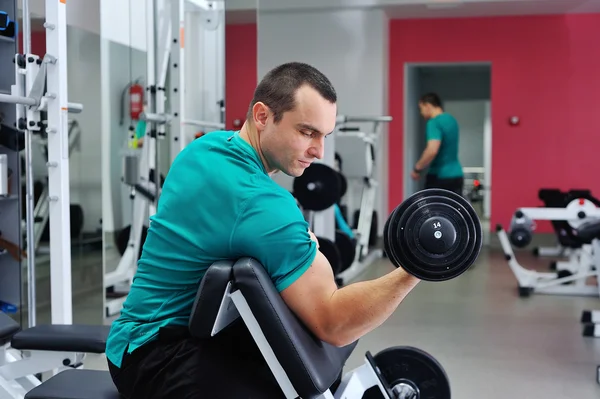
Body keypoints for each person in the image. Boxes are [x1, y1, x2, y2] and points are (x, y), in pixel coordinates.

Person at [105, 62, 421, 399]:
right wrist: (416, 268)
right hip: (156, 357)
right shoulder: (260, 202)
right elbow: (335, 322)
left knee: (307, 363)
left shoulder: (204, 149)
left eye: (324, 136)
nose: (319, 151)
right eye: (307, 132)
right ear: (262, 116)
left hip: (147, 340)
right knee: (301, 374)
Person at [411, 93, 464, 196]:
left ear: (428, 106)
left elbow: (432, 150)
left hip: (439, 177)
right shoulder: (451, 119)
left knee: (433, 211)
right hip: (456, 175)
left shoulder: (434, 122)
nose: (421, 113)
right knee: (454, 211)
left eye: (421, 108)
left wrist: (417, 168)